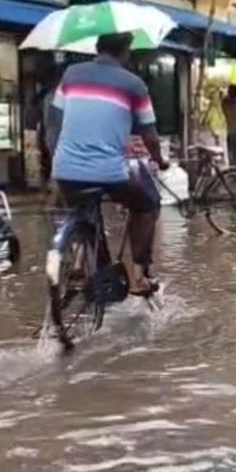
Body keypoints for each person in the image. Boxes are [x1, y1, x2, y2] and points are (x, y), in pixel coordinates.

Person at [50, 32, 169, 296]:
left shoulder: (71, 74)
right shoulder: (134, 84)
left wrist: (56, 160)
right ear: (125, 52)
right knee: (148, 202)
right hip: (108, 171)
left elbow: (55, 122)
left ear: (97, 48)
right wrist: (159, 160)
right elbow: (149, 134)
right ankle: (139, 276)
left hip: (65, 169)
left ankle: (80, 259)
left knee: (80, 209)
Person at [222, 85, 236, 166]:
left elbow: (223, 99)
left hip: (231, 132)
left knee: (231, 154)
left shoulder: (226, 104)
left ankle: (233, 171)